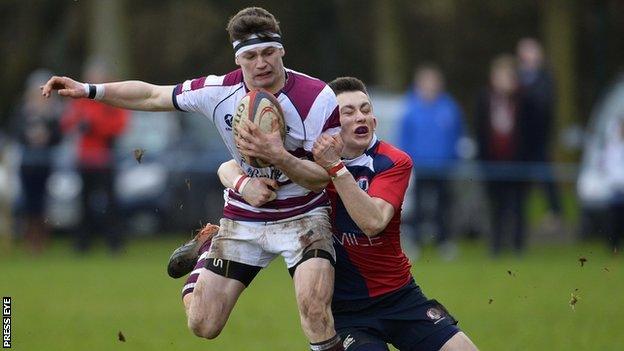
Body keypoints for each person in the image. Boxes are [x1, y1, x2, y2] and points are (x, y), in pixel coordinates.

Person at [42, 7, 343, 351]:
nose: (261, 63)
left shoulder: (318, 98)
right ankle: (207, 248)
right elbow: (152, 95)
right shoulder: (218, 91)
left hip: (304, 214)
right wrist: (89, 89)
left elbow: (323, 178)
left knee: (314, 310)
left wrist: (277, 155)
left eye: (268, 52)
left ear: (282, 51)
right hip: (246, 215)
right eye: (250, 55)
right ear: (238, 59)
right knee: (203, 324)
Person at [218, 77, 478, 350]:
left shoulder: (392, 161)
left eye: (365, 109)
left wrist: (335, 168)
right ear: (330, 121)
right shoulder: (305, 167)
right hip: (346, 314)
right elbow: (226, 167)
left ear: (375, 121)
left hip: (400, 297)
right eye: (349, 111)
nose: (360, 117)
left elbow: (373, 222)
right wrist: (242, 184)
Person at [60, 59, 129, 254]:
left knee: (111, 203)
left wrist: (95, 126)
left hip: (106, 159)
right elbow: (67, 123)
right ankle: (82, 243)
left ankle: (114, 243)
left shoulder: (109, 97)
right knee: (84, 203)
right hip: (86, 159)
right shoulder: (80, 99)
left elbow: (119, 125)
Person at [398, 64, 465, 259]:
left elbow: (457, 135)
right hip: (419, 166)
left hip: (444, 166)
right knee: (418, 206)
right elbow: (404, 137)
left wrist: (455, 158)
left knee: (444, 206)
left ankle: (444, 242)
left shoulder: (449, 107)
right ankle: (416, 241)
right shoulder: (410, 108)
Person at [475, 54, 527, 256]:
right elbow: (480, 130)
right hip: (492, 162)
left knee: (516, 205)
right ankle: (496, 245)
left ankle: (517, 246)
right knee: (495, 205)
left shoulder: (523, 100)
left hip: (517, 161)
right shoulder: (484, 98)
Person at [10, 69, 62, 253]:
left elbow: (59, 136)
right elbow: (15, 133)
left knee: (43, 202)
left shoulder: (53, 113)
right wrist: (29, 136)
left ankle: (42, 239)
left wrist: (46, 136)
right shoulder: (23, 111)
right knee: (28, 201)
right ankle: (29, 238)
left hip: (44, 162)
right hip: (27, 163)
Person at [516, 38, 562, 230]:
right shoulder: (516, 78)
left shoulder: (545, 79)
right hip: (520, 141)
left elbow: (544, 107)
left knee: (546, 177)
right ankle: (519, 217)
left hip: (539, 138)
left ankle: (555, 212)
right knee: (519, 182)